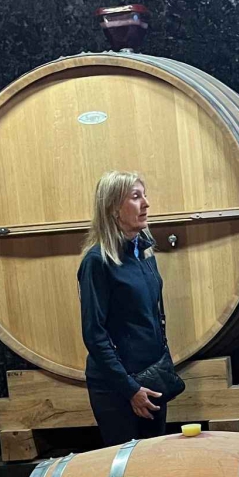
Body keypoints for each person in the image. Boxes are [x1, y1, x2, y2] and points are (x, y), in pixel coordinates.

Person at [78, 171, 174, 445]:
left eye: (144, 195)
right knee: (129, 466)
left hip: (151, 378)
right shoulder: (97, 262)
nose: (146, 203)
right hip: (118, 388)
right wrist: (130, 389)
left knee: (156, 460)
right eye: (135, 197)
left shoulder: (145, 254)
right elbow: (94, 334)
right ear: (112, 208)